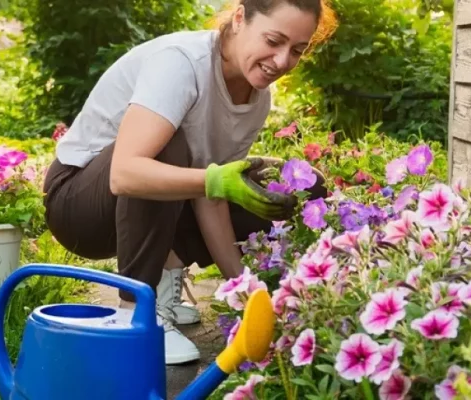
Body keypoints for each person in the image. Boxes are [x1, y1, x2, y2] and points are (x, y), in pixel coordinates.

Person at [42, 0, 331, 364]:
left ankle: (165, 275)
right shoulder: (182, 63)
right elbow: (126, 173)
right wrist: (214, 180)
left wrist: (243, 292)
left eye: (297, 51)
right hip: (78, 204)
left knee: (298, 187)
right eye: (274, 40)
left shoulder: (256, 98)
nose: (282, 60)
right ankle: (137, 314)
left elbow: (210, 191)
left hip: (140, 205)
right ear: (240, 17)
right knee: (168, 145)